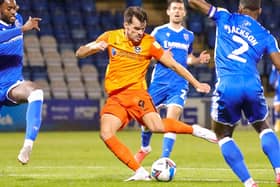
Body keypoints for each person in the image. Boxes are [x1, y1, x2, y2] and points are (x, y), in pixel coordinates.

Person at [76, 6, 217, 181]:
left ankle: (196, 130)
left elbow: (174, 65)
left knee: (156, 127)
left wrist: (196, 83)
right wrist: (94, 47)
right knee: (106, 133)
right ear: (126, 25)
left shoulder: (149, 43)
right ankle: (140, 172)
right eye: (136, 29)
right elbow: (79, 52)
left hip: (137, 95)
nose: (140, 33)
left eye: (142, 29)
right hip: (116, 98)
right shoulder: (110, 37)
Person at [188, 0, 280, 186]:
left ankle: (249, 182)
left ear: (240, 8)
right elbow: (278, 65)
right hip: (252, 85)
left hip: (228, 84)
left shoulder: (225, 16)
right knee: (263, 127)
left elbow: (193, 2)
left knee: (223, 134)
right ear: (260, 11)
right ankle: (279, 170)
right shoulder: (267, 36)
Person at [134, 0, 216, 164]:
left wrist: (197, 60)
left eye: (180, 8)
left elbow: (186, 59)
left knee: (172, 122)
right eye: (174, 8)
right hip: (158, 83)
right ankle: (145, 148)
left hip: (178, 84)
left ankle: (165, 158)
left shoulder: (189, 35)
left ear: (184, 13)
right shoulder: (158, 32)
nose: (177, 11)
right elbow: (147, 56)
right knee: (146, 120)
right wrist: (162, 55)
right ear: (168, 12)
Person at [0, 0, 43, 165]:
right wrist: (22, 29)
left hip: (13, 84)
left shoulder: (18, 18)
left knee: (36, 91)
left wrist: (21, 27)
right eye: (9, 8)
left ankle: (28, 145)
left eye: (15, 8)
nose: (13, 11)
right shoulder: (19, 26)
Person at [269, 65, 280, 132]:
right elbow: (273, 74)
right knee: (277, 108)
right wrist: (273, 82)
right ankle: (277, 123)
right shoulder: (276, 63)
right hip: (278, 89)